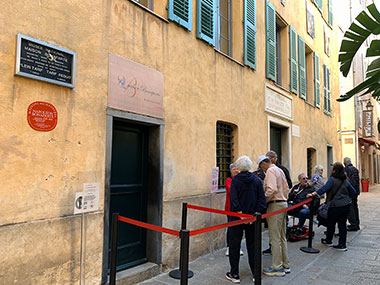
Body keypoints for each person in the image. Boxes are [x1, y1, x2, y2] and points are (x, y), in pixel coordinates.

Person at [226, 155, 266, 284]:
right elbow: (262, 199)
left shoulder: (236, 180)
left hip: (237, 218)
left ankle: (235, 273)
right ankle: (255, 273)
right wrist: (255, 214)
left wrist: (240, 214)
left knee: (234, 245)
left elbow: (234, 199)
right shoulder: (256, 180)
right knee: (253, 245)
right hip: (253, 218)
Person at [308, 162, 358, 251]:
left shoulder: (332, 179)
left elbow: (324, 189)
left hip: (334, 206)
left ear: (334, 170)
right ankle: (342, 244)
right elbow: (353, 192)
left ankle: (329, 241)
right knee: (342, 225)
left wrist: (313, 193)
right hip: (346, 205)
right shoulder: (345, 180)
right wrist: (347, 199)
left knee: (331, 224)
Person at [258, 155, 290, 277]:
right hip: (283, 203)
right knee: (282, 236)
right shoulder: (279, 169)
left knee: (274, 237)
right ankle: (285, 264)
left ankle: (277, 267)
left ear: (264, 164)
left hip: (275, 204)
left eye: (261, 167)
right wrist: (284, 199)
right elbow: (286, 188)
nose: (262, 170)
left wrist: (264, 202)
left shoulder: (270, 171)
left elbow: (270, 189)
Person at [224, 163, 243, 256]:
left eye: (237, 169)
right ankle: (229, 247)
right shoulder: (229, 180)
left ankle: (238, 247)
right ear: (230, 171)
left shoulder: (240, 180)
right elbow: (230, 189)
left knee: (239, 229)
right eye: (234, 169)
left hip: (240, 208)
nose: (236, 171)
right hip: (230, 208)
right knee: (231, 228)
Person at [344, 157, 360, 231]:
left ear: (345, 163)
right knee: (355, 207)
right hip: (356, 191)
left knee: (351, 208)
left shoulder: (347, 169)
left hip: (350, 192)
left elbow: (348, 181)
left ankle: (353, 224)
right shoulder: (355, 169)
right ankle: (357, 223)